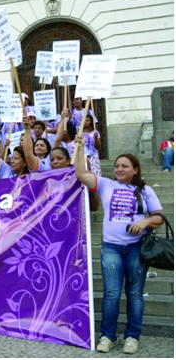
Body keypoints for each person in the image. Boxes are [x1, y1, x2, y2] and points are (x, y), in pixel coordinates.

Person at [74, 136, 164, 354]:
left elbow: (159, 218)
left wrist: (144, 221)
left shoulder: (145, 191)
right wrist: (79, 149)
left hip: (137, 248)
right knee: (111, 293)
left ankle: (132, 337)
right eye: (116, 166)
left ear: (135, 169)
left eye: (125, 166)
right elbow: (81, 174)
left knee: (134, 293)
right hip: (111, 248)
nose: (119, 169)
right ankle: (108, 336)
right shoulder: (106, 184)